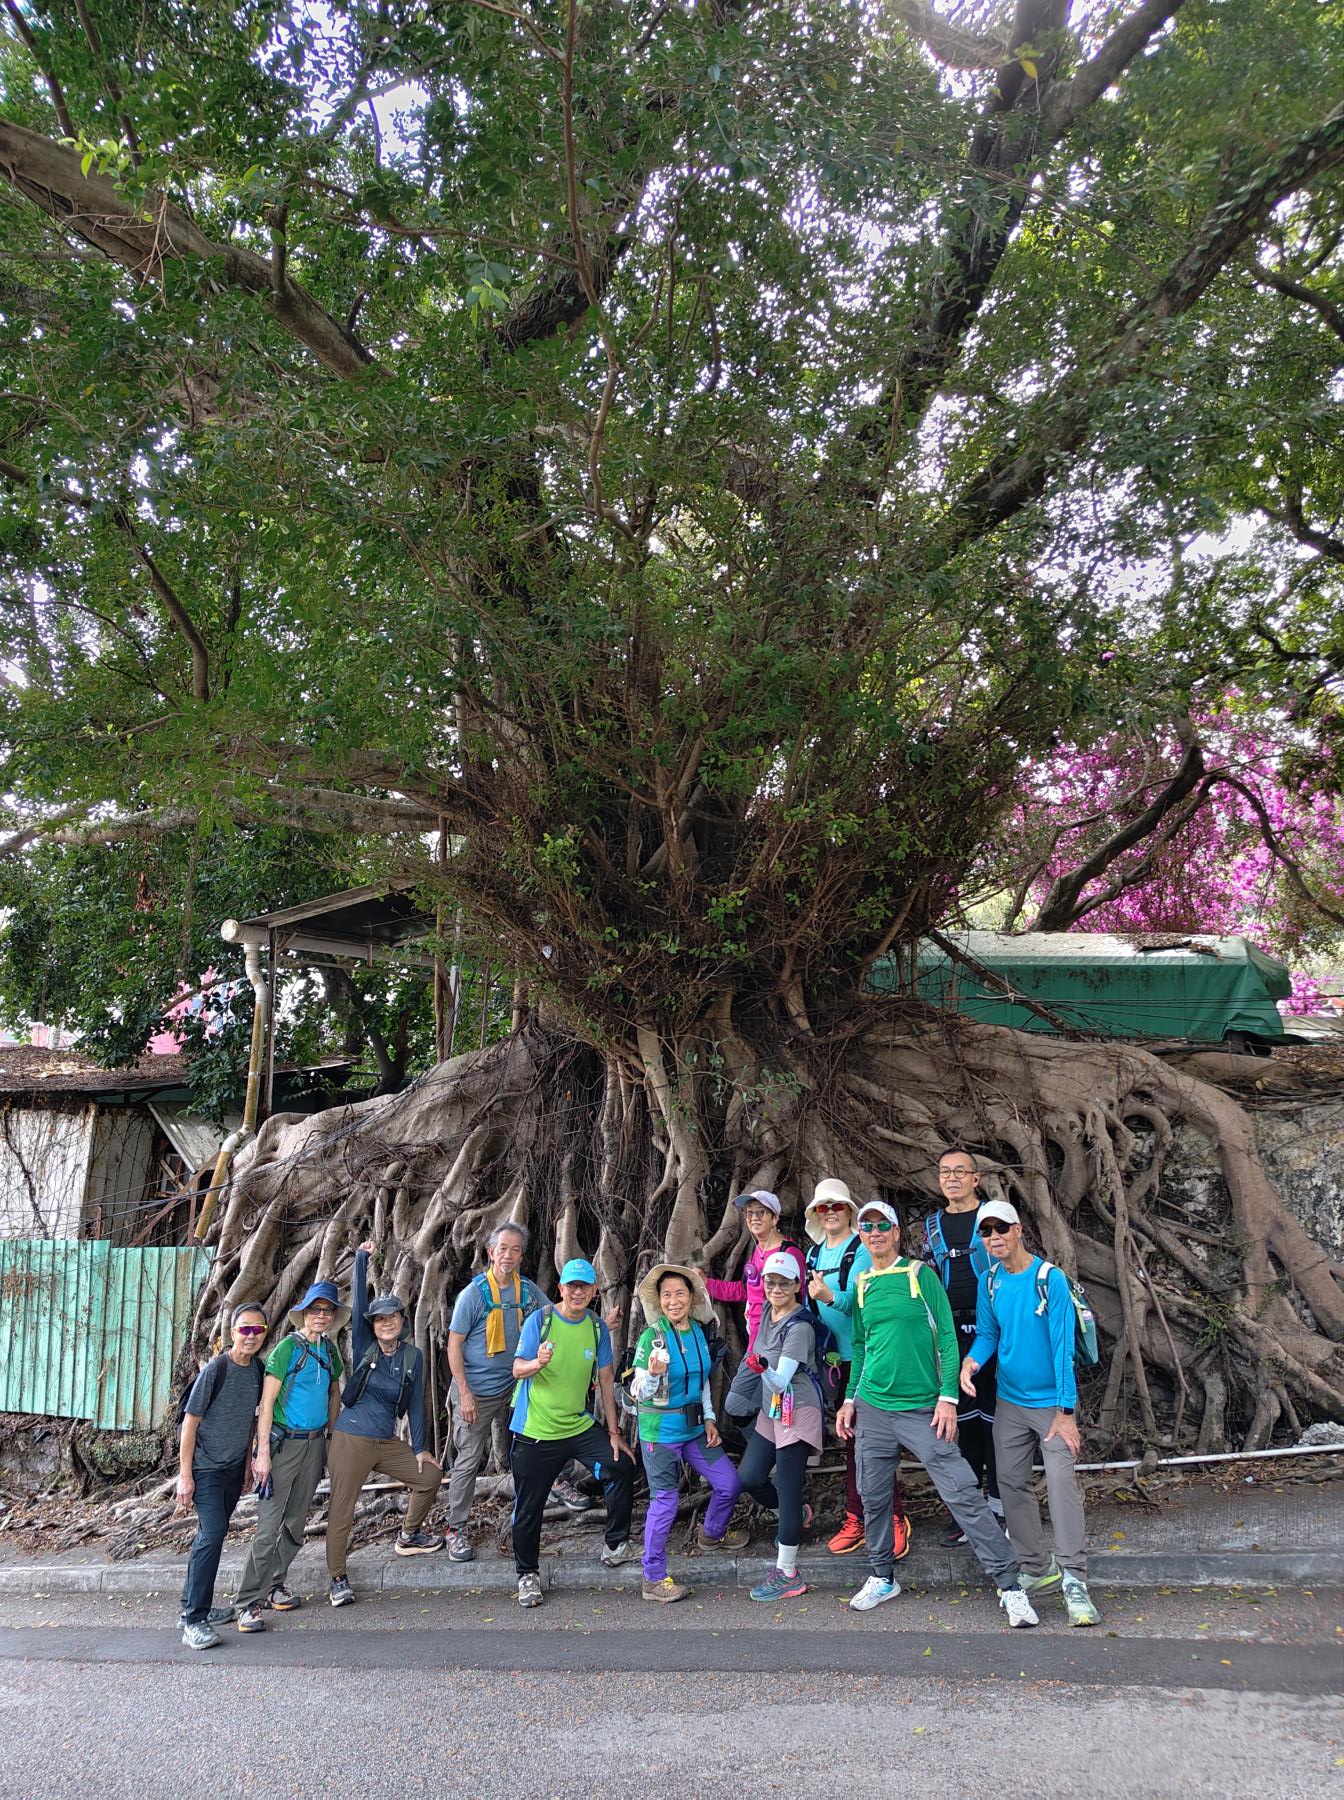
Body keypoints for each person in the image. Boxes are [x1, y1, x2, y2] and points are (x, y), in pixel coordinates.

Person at [837, 1200, 1038, 1628]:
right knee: (873, 1496)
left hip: (922, 1409)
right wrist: (850, 1399)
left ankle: (1010, 1585)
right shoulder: (862, 1283)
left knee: (962, 1491)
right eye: (867, 1227)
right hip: (873, 1407)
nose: (875, 1233)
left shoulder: (920, 1275)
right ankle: (882, 1576)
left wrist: (948, 1397)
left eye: (882, 1226)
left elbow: (947, 1338)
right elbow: (859, 1346)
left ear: (896, 1232)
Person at [962, 1197, 1102, 1627]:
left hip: (1051, 1405)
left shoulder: (1049, 1279)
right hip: (1009, 1401)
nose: (994, 1237)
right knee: (1009, 1482)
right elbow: (988, 1334)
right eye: (986, 1231)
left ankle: (1074, 1577)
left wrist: (1065, 1412)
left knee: (1060, 1481)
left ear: (1018, 1230)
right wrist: (972, 1361)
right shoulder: (990, 1281)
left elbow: (1062, 1350)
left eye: (1001, 1228)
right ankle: (1037, 1566)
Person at [509, 1256, 636, 1608]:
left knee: (620, 1465)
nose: (577, 1292)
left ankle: (615, 1546)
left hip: (577, 1424)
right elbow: (517, 1369)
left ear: (594, 1291)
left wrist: (613, 1432)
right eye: (571, 1286)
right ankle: (527, 1574)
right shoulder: (541, 1321)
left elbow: (606, 1380)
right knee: (529, 1505)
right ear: (560, 1288)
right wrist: (536, 1363)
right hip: (535, 1429)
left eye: (584, 1287)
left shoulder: (596, 1328)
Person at [325, 1241, 444, 1606]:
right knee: (342, 1510)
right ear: (372, 1325)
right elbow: (360, 1302)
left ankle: (408, 1535)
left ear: (403, 1321)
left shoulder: (413, 1356)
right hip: (351, 1439)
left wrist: (421, 1448)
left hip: (386, 1442)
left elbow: (417, 1405)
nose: (387, 1322)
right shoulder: (365, 1346)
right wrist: (361, 1259)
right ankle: (337, 1578)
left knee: (429, 1476)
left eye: (393, 1316)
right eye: (380, 1318)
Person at [804, 1178, 911, 1560]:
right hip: (831, 1363)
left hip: (865, 1359)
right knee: (851, 1442)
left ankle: (893, 1516)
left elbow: (861, 1302)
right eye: (823, 1207)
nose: (830, 1212)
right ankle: (857, 1516)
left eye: (837, 1205)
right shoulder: (814, 1254)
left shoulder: (861, 1249)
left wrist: (828, 1295)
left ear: (849, 1210)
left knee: (872, 1443)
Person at [629, 1262, 746, 1603]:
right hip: (660, 1432)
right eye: (667, 1295)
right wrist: (652, 1374)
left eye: (680, 1293)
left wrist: (709, 1418)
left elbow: (701, 1381)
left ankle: (711, 1534)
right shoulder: (652, 1337)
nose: (673, 1301)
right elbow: (638, 1391)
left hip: (694, 1429)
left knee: (729, 1484)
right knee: (665, 1501)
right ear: (659, 1301)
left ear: (692, 1297)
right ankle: (653, 1578)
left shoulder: (698, 1332)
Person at [235, 1278, 347, 1632]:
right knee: (269, 1526)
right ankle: (247, 1602)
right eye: (315, 1310)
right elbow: (266, 1404)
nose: (321, 1316)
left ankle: (275, 1584)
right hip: (283, 1445)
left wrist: (332, 1436)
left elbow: (333, 1393)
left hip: (314, 1445)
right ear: (304, 1313)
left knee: (297, 1522)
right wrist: (262, 1453)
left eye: (327, 1311)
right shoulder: (287, 1348)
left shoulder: (330, 1351)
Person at [445, 1221, 549, 1561]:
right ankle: (456, 1529)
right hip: (477, 1390)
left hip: (516, 1384)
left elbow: (554, 1318)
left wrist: (598, 1324)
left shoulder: (527, 1292)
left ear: (521, 1256)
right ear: (491, 1252)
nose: (508, 1255)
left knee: (545, 1434)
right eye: (503, 1249)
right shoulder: (473, 1294)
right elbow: (453, 1346)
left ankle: (556, 1485)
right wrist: (464, 1393)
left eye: (515, 1250)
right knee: (469, 1459)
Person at [924, 1149, 1005, 1545]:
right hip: (951, 1331)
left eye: (960, 1171)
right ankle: (971, 1513)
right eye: (945, 1172)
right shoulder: (932, 1225)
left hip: (994, 1328)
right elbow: (927, 1278)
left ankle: (1002, 1507)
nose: (952, 1178)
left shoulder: (993, 1218)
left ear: (976, 1178)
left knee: (998, 1421)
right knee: (964, 1422)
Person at [176, 1303, 268, 1649]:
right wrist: (185, 1475)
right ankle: (193, 1620)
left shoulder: (257, 1370)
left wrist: (245, 1467)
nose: (251, 1336)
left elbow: (249, 1423)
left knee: (209, 1536)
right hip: (205, 1469)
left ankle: (193, 1605)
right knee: (212, 1535)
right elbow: (190, 1423)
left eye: (258, 1330)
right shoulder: (217, 1369)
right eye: (245, 1329)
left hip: (231, 1469)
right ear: (232, 1332)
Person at [736, 1252, 822, 1605]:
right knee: (750, 1476)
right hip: (773, 1409)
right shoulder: (767, 1315)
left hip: (798, 1409)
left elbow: (781, 1380)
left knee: (788, 1487)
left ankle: (788, 1573)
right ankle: (796, 1517)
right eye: (770, 1282)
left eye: (784, 1283)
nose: (776, 1289)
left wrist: (761, 1368)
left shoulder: (799, 1327)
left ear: (798, 1285)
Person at [705, 1188, 809, 1363]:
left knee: (764, 1381)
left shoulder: (789, 1253)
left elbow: (801, 1297)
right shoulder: (758, 1250)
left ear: (774, 1218)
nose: (754, 1218)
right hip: (754, 1339)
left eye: (761, 1212)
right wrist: (705, 1284)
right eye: (749, 1213)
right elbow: (745, 1290)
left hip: (777, 1340)